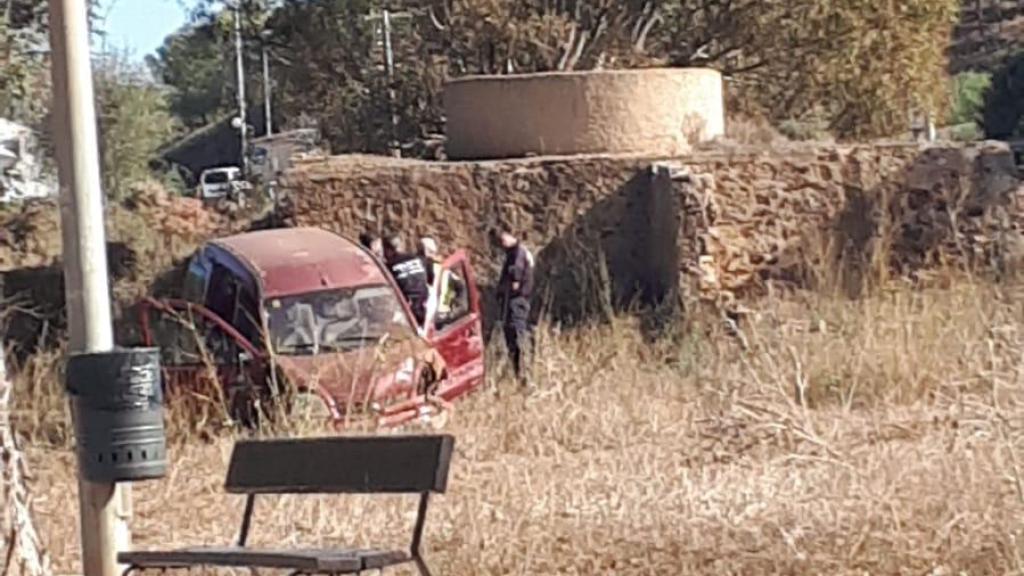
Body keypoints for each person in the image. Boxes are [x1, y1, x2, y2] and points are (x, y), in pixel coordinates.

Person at [493, 227, 534, 383]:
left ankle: (524, 375)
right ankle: (519, 374)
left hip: (517, 302)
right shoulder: (514, 253)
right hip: (515, 301)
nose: (501, 243)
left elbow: (515, 281)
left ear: (511, 235)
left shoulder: (518, 253)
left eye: (502, 238)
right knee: (512, 338)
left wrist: (504, 289)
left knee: (517, 337)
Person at [383, 234, 431, 327]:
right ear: (402, 246)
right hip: (428, 307)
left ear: (388, 250)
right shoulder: (419, 259)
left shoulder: (388, 267)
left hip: (408, 313)